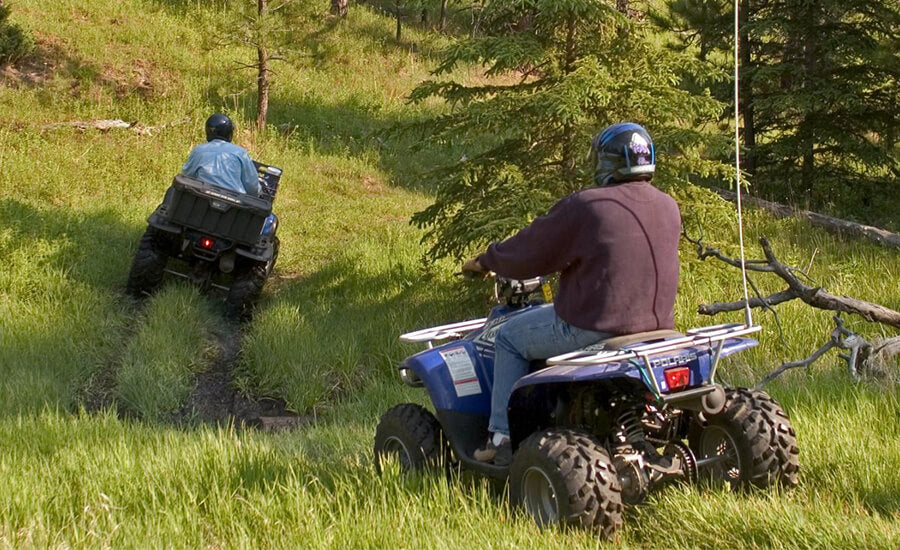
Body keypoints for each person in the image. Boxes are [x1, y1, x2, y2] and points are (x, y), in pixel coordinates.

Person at [461, 122, 682, 465]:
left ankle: (501, 438)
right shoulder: (669, 205)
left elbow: (533, 248)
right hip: (657, 327)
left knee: (507, 337)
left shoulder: (588, 205)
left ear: (606, 161)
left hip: (593, 325)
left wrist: (487, 260)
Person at [181, 113, 260, 197]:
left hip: (202, 199)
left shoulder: (199, 150)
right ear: (229, 133)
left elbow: (186, 176)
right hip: (234, 203)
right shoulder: (240, 152)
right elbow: (252, 187)